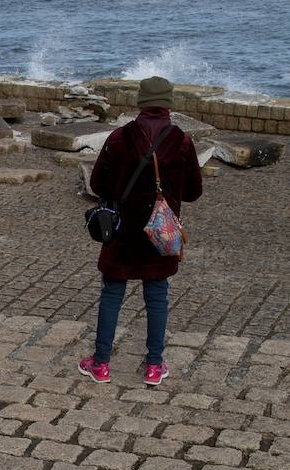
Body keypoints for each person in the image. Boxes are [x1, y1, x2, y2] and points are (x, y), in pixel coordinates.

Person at [79, 74, 203, 386]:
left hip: (122, 230)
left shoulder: (119, 137)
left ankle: (101, 364)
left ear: (141, 103)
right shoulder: (182, 141)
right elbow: (193, 192)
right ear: (168, 104)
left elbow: (97, 184)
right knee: (157, 295)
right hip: (159, 231)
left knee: (112, 292)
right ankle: (153, 367)